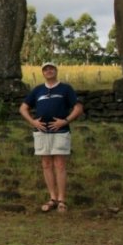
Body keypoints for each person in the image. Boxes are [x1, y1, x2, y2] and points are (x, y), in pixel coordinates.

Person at [20, 62, 83, 212]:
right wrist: (33, 122)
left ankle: (62, 199)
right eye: (46, 69)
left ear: (56, 70)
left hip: (60, 131)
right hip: (42, 131)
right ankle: (52, 198)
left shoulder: (65, 89)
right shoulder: (38, 90)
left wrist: (65, 121)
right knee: (46, 164)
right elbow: (23, 108)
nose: (49, 71)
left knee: (60, 164)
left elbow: (78, 107)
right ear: (43, 73)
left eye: (51, 69)